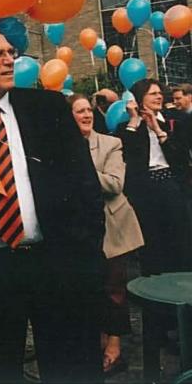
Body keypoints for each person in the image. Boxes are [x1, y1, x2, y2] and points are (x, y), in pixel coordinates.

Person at [0, 28, 104, 383]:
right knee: (0, 368)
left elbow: (85, 183)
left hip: (54, 260)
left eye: (10, 52)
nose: (11, 60)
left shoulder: (47, 108)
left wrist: (85, 249)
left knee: (69, 365)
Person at [68, 94, 144, 375]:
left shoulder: (111, 143)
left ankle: (114, 347)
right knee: (90, 287)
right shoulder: (63, 147)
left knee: (114, 288)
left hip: (113, 226)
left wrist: (79, 167)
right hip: (80, 228)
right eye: (79, 111)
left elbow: (114, 184)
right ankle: (98, 339)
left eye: (89, 110)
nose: (86, 115)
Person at [116, 78, 192, 275]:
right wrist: (134, 121)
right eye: (152, 93)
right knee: (151, 242)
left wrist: (158, 130)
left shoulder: (175, 121)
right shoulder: (128, 127)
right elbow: (126, 157)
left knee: (179, 239)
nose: (159, 96)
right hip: (145, 190)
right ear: (140, 99)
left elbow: (180, 158)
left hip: (171, 185)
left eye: (160, 93)